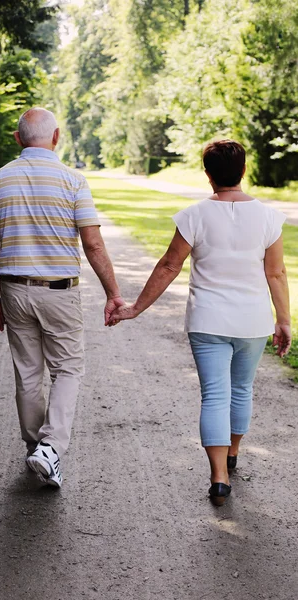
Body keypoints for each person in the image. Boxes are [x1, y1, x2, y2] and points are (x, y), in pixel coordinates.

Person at [109, 139, 291, 506]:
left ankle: (219, 477)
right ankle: (233, 454)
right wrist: (283, 320)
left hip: (208, 321)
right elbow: (276, 273)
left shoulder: (194, 215)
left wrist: (135, 308)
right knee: (241, 390)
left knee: (215, 396)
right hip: (253, 322)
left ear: (208, 175)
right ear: (243, 170)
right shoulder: (269, 217)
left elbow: (169, 266)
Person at [0, 107, 124, 488]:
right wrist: (113, 294)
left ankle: (36, 450)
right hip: (59, 292)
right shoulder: (72, 181)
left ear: (18, 139)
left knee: (28, 373)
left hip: (12, 289)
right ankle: (51, 448)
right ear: (56, 137)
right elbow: (92, 244)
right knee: (68, 369)